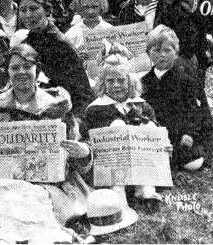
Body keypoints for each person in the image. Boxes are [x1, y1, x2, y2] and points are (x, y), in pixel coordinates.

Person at [0, 44, 93, 233]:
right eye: (15, 68)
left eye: (27, 66)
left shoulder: (56, 103)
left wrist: (83, 152)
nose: (21, 72)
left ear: (37, 70)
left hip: (51, 183)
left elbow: (76, 150)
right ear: (7, 72)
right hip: (4, 180)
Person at [80, 52, 164, 202]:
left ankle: (145, 187)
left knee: (148, 125)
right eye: (110, 81)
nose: (116, 85)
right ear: (103, 84)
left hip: (139, 164)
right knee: (117, 125)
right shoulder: (95, 109)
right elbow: (86, 137)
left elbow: (155, 133)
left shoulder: (141, 105)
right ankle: (118, 190)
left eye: (121, 80)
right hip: (108, 168)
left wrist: (163, 143)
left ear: (130, 82)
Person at [18, 0, 94, 116]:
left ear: (47, 10)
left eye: (34, 9)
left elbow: (82, 92)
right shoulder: (25, 43)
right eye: (23, 10)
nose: (28, 15)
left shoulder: (60, 43)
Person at [140, 25, 205, 171]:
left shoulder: (186, 80)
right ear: (148, 53)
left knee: (193, 163)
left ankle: (171, 158)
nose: (162, 55)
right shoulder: (143, 81)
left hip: (178, 135)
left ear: (176, 53)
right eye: (157, 50)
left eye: (167, 50)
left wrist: (189, 133)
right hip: (154, 135)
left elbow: (193, 111)